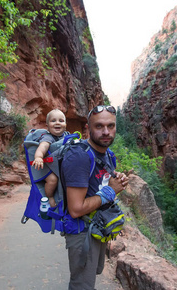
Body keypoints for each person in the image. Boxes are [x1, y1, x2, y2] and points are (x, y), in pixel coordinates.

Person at [61, 105, 129, 290]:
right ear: (88, 129)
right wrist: (111, 191)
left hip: (97, 227)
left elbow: (100, 180)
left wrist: (116, 179)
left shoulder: (107, 154)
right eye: (99, 126)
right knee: (81, 285)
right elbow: (75, 209)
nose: (106, 131)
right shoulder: (79, 156)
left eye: (111, 126)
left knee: (92, 275)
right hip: (82, 232)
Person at [32, 109, 68, 208]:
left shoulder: (67, 136)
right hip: (49, 168)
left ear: (65, 124)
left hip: (61, 165)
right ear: (47, 126)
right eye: (53, 121)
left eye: (61, 121)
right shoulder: (48, 138)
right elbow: (42, 147)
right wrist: (39, 157)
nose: (57, 123)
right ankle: (50, 197)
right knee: (53, 180)